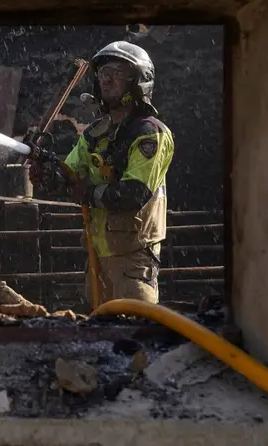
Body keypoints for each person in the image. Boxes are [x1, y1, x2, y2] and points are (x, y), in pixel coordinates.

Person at [29, 41, 175, 305]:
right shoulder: (96, 135)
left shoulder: (150, 133)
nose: (107, 80)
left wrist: (87, 192)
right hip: (97, 258)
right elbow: (69, 176)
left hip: (132, 260)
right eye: (103, 73)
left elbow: (134, 193)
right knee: (98, 334)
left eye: (117, 73)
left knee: (133, 332)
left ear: (138, 82)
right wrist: (48, 173)